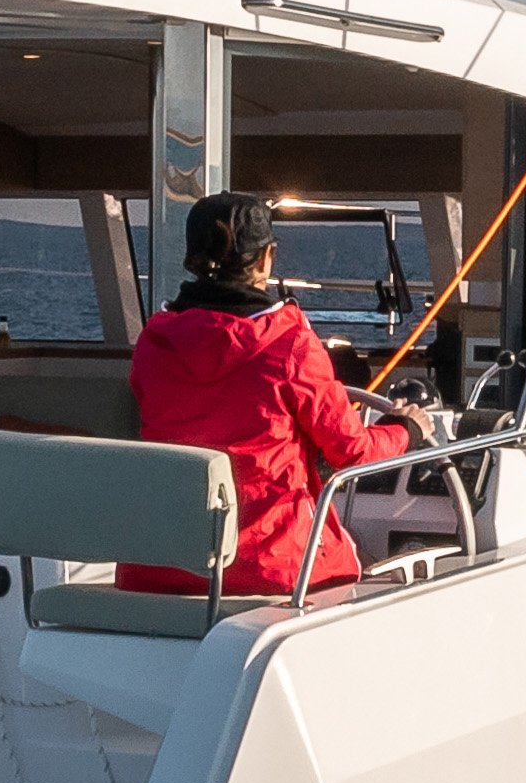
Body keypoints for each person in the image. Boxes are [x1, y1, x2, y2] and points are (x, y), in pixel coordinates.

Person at [122, 192, 417, 596]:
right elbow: (354, 453)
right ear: (266, 258)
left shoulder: (154, 342)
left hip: (162, 569)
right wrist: (405, 429)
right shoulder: (290, 344)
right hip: (274, 572)